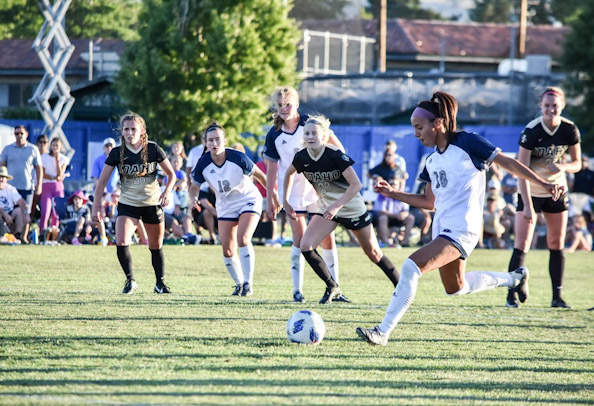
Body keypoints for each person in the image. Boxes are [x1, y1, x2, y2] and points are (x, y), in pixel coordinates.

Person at [355, 91, 562, 346]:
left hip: (463, 230)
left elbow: (508, 162)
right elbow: (429, 203)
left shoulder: (468, 142)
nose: (416, 133)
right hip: (443, 230)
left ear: (438, 124)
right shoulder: (430, 161)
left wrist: (544, 183)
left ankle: (382, 332)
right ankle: (515, 278)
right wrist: (393, 193)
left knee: (410, 267)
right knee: (456, 288)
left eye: (419, 127)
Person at [283, 115, 400, 304]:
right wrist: (285, 201)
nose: (310, 136)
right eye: (307, 133)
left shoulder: (335, 154)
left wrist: (337, 206)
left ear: (324, 136)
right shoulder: (302, 156)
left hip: (350, 207)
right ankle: (332, 286)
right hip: (326, 209)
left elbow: (356, 185)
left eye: (315, 133)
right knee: (306, 245)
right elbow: (288, 174)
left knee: (374, 253)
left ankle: (401, 287)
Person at [264, 85, 343, 303]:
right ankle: (297, 291)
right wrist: (272, 195)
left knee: (327, 238)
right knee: (299, 240)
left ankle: (336, 288)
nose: (284, 108)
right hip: (292, 192)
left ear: (297, 104)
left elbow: (339, 149)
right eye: (280, 105)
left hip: (317, 189)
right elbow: (271, 167)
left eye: (288, 104)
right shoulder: (274, 134)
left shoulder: (310, 124)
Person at [505, 87, 582, 309]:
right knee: (522, 243)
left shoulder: (569, 129)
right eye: (547, 105)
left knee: (556, 243)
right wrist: (527, 205)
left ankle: (557, 297)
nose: (550, 109)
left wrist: (564, 167)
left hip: (557, 191)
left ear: (562, 106)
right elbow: (520, 169)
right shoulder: (531, 130)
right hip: (531, 190)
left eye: (555, 105)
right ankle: (511, 295)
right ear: (541, 106)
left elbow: (577, 164)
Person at [92, 111, 176, 295]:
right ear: (122, 132)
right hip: (128, 204)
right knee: (121, 240)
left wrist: (167, 191)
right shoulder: (117, 152)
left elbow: (171, 174)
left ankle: (159, 284)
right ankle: (130, 281)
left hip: (152, 203)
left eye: (133, 129)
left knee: (155, 246)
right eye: (126, 129)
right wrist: (95, 208)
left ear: (142, 131)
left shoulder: (153, 149)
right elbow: (102, 182)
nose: (130, 133)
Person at [190, 123, 267, 296]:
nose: (214, 143)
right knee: (227, 249)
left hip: (248, 199)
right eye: (211, 140)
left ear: (225, 140)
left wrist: (275, 196)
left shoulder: (237, 157)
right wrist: (192, 198)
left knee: (244, 238)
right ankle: (239, 283)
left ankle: (248, 284)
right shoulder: (203, 163)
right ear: (206, 143)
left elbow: (261, 177)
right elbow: (194, 186)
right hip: (225, 204)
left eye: (218, 139)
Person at [0, 125, 42, 243]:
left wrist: (39, 185)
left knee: (26, 213)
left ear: (26, 134)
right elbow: (2, 165)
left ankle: (23, 237)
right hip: (10, 186)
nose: (19, 136)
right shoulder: (8, 149)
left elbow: (39, 168)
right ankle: (10, 235)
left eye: (21, 133)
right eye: (16, 133)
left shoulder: (33, 149)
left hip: (26, 186)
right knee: (10, 211)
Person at [39, 137, 69, 243]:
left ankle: (54, 236)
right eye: (53, 145)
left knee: (56, 213)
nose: (55, 147)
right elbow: (42, 173)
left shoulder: (64, 159)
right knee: (45, 212)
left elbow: (60, 175)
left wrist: (57, 159)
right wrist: (52, 177)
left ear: (61, 147)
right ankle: (42, 235)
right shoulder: (44, 157)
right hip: (46, 186)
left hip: (58, 187)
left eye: (57, 145)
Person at [0, 166, 29, 239]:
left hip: (10, 214)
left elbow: (21, 202)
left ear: (6, 179)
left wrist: (26, 213)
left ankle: (18, 235)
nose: (1, 179)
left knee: (19, 211)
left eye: (3, 177)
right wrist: (4, 214)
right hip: (2, 214)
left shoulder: (10, 189)